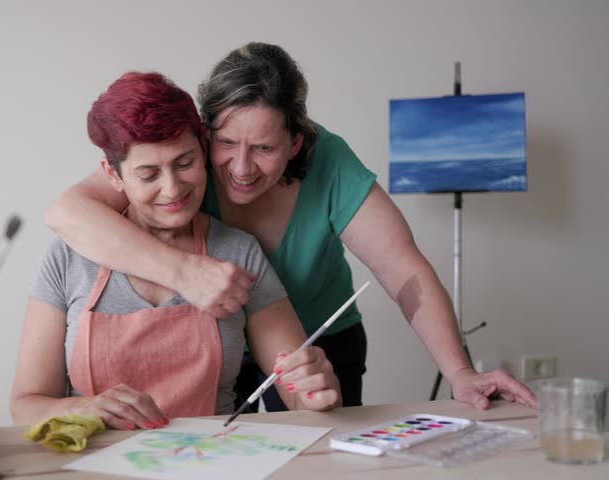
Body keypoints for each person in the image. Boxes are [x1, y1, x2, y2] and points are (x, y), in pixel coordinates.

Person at [45, 43, 537, 412]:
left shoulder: (332, 162)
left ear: (298, 143)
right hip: (220, 337)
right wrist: (183, 273)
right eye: (226, 143)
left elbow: (403, 269)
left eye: (264, 149)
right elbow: (68, 213)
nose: (240, 167)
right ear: (203, 132)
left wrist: (459, 371)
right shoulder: (183, 163)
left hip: (317, 346)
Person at [10, 71, 341, 429]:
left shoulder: (238, 252)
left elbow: (297, 386)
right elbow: (26, 405)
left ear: (204, 152)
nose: (173, 190)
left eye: (184, 163)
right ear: (113, 175)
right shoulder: (66, 259)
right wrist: (86, 409)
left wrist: (313, 389)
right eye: (149, 174)